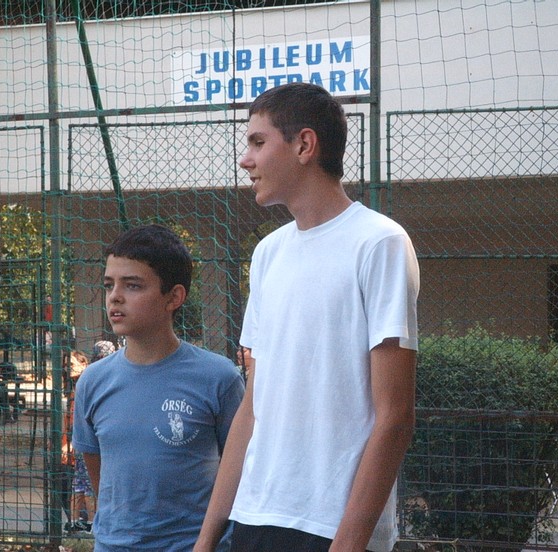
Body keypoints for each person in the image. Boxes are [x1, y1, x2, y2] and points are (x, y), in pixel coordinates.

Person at [194, 83, 420, 552]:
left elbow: (395, 417)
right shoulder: (267, 254)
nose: (245, 160)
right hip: (255, 517)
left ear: (304, 145)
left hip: (332, 527)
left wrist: (348, 543)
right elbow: (253, 407)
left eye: (258, 141)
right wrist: (206, 539)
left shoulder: (379, 243)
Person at [73, 224, 245, 551]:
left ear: (174, 297)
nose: (115, 296)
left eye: (133, 285)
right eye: (109, 285)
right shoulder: (92, 382)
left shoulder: (218, 378)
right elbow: (98, 470)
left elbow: (238, 469)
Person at [61, 349, 93, 535]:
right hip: (76, 441)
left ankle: (90, 523)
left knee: (87, 485)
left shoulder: (86, 386)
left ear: (84, 364)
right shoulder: (74, 388)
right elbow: (69, 418)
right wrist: (66, 440)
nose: (68, 368)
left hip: (85, 441)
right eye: (67, 365)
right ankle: (76, 522)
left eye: (72, 364)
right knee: (79, 484)